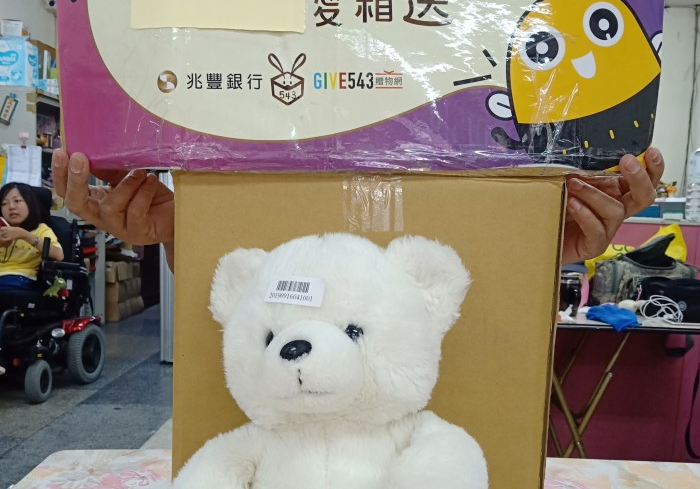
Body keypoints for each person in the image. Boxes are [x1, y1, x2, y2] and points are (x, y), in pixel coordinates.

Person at [51, 148, 665, 268]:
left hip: (454, 427)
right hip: (269, 431)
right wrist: (185, 230)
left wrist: (538, 244)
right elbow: (225, 304)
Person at [0, 182, 65, 375]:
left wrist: (23, 235)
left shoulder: (40, 229)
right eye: (4, 203)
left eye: (17, 201)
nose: (11, 207)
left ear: (30, 203)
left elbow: (58, 254)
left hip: (21, 279)